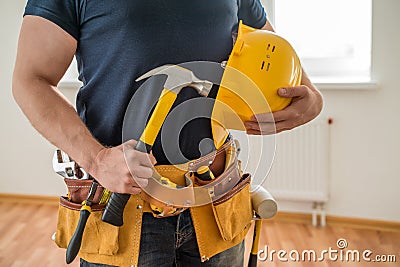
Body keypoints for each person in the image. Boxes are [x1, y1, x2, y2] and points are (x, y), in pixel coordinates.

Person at [12, 0, 323, 266]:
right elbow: (30, 80)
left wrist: (311, 96)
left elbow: (271, 47)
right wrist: (97, 160)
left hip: (215, 205)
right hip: (123, 211)